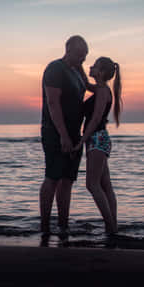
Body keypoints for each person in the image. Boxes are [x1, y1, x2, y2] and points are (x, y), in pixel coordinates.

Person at [39, 35, 88, 236]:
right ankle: (45, 227)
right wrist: (64, 135)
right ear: (68, 50)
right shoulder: (55, 69)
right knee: (53, 177)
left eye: (85, 56)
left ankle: (63, 225)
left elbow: (90, 87)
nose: (82, 59)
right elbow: (52, 103)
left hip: (75, 133)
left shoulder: (77, 70)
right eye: (79, 55)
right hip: (55, 132)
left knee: (67, 180)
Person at [74, 57, 122, 235]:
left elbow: (95, 119)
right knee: (105, 185)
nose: (90, 67)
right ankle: (113, 226)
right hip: (99, 139)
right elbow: (86, 85)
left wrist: (81, 140)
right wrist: (78, 65)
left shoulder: (102, 91)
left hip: (96, 139)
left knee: (92, 185)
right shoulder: (101, 89)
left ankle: (110, 227)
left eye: (94, 66)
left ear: (101, 72)